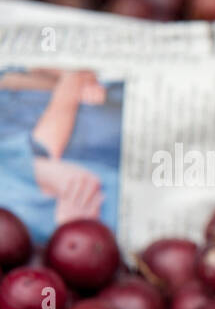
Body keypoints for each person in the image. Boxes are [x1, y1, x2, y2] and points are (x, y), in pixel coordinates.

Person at [0, 67, 124, 243]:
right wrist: (68, 232)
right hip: (104, 218)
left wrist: (72, 78)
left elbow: (39, 149)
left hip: (100, 126)